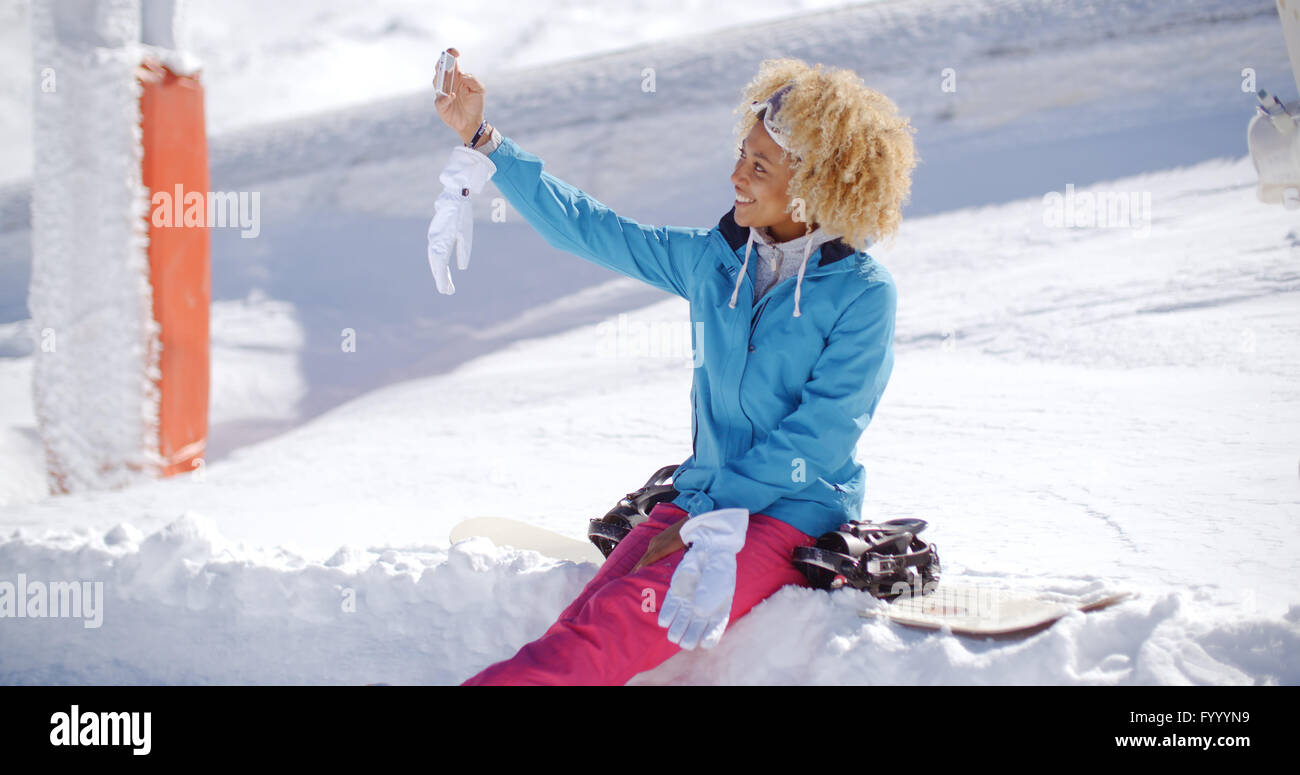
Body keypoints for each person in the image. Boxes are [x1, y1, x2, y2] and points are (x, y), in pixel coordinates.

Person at [432, 48, 917, 685]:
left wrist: (711, 511)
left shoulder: (861, 293)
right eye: (742, 155)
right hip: (699, 496)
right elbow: (591, 229)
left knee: (605, 638)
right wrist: (483, 139)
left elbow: (821, 437)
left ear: (813, 184)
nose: (737, 174)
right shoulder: (715, 262)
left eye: (759, 164)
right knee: (581, 625)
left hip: (787, 512)